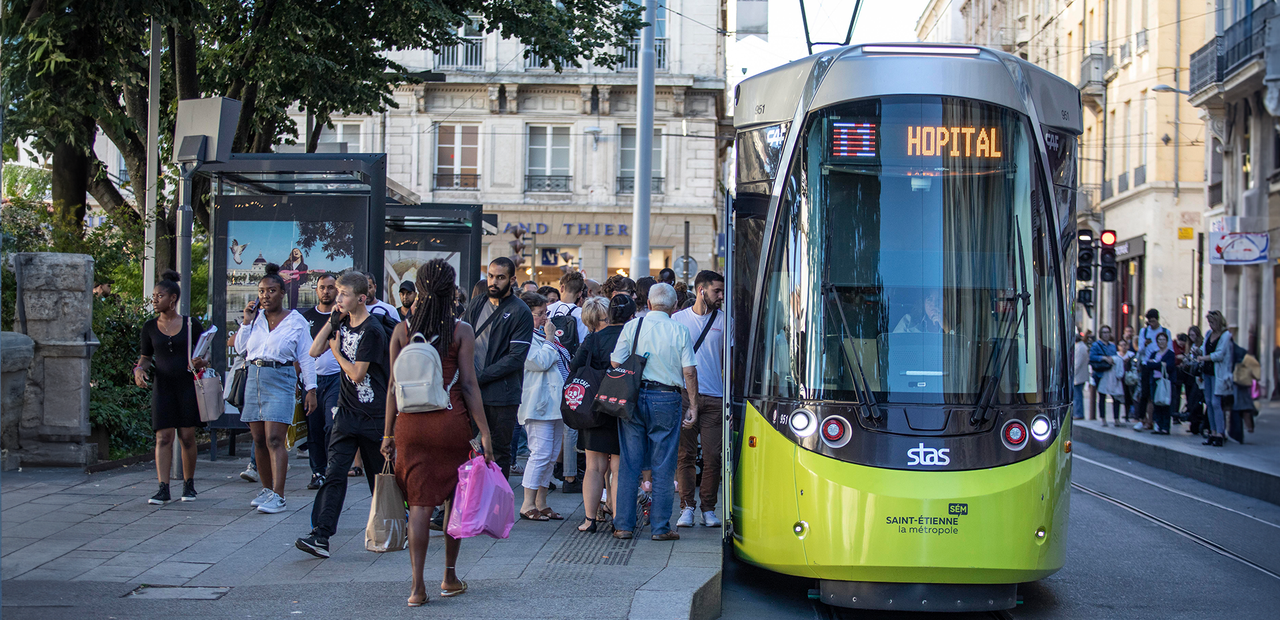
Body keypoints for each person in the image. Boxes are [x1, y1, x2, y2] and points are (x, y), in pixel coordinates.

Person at [380, 260, 494, 607]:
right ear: (451, 290)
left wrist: (387, 435)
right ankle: (449, 576)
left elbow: (391, 387)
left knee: (418, 504)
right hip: (449, 421)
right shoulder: (460, 331)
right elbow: (470, 386)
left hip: (410, 425)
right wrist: (485, 433)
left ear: (420, 289)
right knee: (451, 502)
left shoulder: (402, 330)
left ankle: (417, 588)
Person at [296, 272, 390, 558]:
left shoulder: (373, 330)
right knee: (333, 473)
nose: (338, 298)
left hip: (374, 416)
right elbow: (313, 350)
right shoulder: (340, 319)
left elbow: (358, 373)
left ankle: (401, 525)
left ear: (361, 299)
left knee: (380, 480)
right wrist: (332, 322)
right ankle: (320, 536)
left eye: (344, 294)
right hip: (347, 415)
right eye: (337, 293)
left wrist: (336, 352)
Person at [610, 283, 699, 541]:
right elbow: (689, 372)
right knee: (663, 464)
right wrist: (693, 405)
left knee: (629, 463)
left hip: (634, 397)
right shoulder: (680, 330)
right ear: (674, 307)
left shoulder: (633, 326)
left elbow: (616, 361)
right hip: (666, 398)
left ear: (648, 304)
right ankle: (660, 527)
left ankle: (624, 525)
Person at [234, 264, 318, 514]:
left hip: (281, 376)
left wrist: (310, 389)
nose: (265, 296)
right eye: (261, 291)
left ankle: (279, 495)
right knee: (258, 439)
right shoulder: (256, 319)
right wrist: (247, 323)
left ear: (282, 292)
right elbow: (241, 348)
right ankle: (267, 489)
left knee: (274, 439)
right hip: (254, 375)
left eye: (271, 291)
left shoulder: (296, 321)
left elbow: (306, 356)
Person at [134, 271, 207, 504]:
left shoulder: (190, 323)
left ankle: (189, 484)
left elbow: (205, 355)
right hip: (162, 386)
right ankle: (162, 487)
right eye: (154, 296)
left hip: (186, 384)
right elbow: (145, 358)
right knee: (163, 437)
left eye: (159, 296)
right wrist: (139, 369)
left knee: (187, 436)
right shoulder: (149, 327)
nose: (154, 300)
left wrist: (200, 362)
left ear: (172, 299)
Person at [462, 257, 535, 479]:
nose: (493, 282)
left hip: (502, 396)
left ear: (512, 280)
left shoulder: (520, 311)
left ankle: (495, 507)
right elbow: (462, 340)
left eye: (500, 277)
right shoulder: (476, 303)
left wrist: (478, 376)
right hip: (472, 392)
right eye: (491, 276)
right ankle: (467, 505)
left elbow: (515, 358)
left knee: (499, 453)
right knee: (469, 450)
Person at [672, 271, 725, 529]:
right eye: (717, 291)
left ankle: (708, 508)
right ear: (702, 290)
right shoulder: (678, 319)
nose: (721, 296)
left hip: (715, 396)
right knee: (686, 455)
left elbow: (729, 361)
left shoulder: (725, 321)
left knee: (713, 456)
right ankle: (687, 507)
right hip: (684, 395)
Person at [572, 295, 626, 533]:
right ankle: (618, 518)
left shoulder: (592, 340)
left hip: (594, 407)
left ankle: (589, 519)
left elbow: (575, 368)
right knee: (618, 467)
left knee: (594, 467)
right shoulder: (626, 336)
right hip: (622, 406)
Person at [516, 291, 571, 521]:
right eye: (540, 315)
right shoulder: (524, 337)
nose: (545, 319)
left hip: (554, 404)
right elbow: (540, 362)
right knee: (539, 453)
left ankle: (542, 501)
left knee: (550, 456)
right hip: (538, 404)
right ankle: (527, 503)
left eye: (546, 314)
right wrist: (549, 339)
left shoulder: (542, 335)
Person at [548, 271, 590, 493]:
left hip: (547, 371)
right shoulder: (581, 314)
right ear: (581, 292)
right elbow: (583, 346)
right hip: (570, 373)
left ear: (561, 287)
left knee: (549, 426)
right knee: (570, 424)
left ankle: (548, 473)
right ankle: (570, 476)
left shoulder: (547, 310)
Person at [301, 273, 342, 490]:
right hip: (312, 381)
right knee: (314, 428)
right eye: (322, 287)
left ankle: (331, 469)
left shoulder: (342, 316)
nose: (326, 291)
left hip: (336, 377)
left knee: (331, 425)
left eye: (330, 287)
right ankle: (317, 472)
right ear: (316, 290)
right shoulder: (306, 317)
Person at [1197, 310, 1233, 447]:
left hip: (1219, 373)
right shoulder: (1208, 334)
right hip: (1207, 372)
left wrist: (1203, 357)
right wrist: (1199, 351)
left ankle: (1220, 433)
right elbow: (1204, 348)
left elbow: (1220, 354)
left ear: (1219, 322)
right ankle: (1212, 432)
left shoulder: (1226, 336)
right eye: (1209, 322)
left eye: (1212, 322)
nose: (1210, 325)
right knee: (1209, 402)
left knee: (1216, 403)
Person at [1134, 309, 1171, 431]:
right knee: (1144, 393)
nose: (1152, 324)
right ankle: (1141, 419)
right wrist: (1144, 345)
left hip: (1159, 365)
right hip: (1147, 365)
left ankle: (1156, 421)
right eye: (1149, 322)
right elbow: (1140, 350)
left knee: (1157, 394)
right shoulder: (1144, 331)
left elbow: (1169, 349)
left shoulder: (1165, 332)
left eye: (1154, 322)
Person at [1144, 332, 1177, 434]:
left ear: (1167, 341)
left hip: (1165, 382)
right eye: (1159, 340)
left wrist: (1156, 364)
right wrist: (1160, 364)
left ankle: (1165, 427)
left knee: (1165, 404)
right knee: (1156, 403)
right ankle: (1157, 425)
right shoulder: (1154, 353)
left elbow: (1170, 366)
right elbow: (1149, 365)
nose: (1161, 342)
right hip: (1155, 381)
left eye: (1163, 340)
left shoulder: (1170, 354)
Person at [1088, 326, 1118, 423]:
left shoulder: (1112, 346)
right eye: (1104, 332)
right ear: (1101, 334)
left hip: (1111, 373)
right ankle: (1103, 418)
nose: (1106, 334)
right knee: (1102, 396)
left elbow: (1115, 357)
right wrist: (1103, 358)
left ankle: (1116, 418)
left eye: (1108, 332)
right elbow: (1092, 357)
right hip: (1100, 373)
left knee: (1115, 396)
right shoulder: (1096, 345)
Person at [1096, 337, 1126, 426]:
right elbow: (1120, 374)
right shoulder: (1118, 359)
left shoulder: (1114, 359)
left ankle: (1105, 419)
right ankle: (1115, 419)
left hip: (1106, 379)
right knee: (1113, 399)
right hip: (1112, 381)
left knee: (1105, 399)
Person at [1072, 333, 1089, 420]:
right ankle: (1078, 413)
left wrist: (1071, 374)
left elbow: (1077, 364)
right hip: (1080, 375)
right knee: (1077, 395)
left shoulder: (1080, 348)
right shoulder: (1082, 346)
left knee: (1077, 396)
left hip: (1078, 376)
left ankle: (1078, 413)